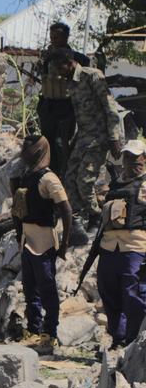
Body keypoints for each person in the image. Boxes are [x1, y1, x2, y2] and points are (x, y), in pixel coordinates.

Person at [47, 48, 124, 245]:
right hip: (83, 139)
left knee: (84, 181)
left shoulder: (93, 77)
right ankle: (78, 222)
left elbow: (110, 108)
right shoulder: (71, 84)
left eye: (57, 67)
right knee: (69, 178)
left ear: (68, 62)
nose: (56, 72)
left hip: (99, 139)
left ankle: (96, 215)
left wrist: (114, 138)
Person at [12, 136, 73, 355]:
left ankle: (50, 334)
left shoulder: (49, 179)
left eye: (27, 148)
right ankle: (34, 330)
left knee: (47, 288)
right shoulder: (27, 176)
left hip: (44, 240)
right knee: (30, 289)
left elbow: (66, 211)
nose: (23, 151)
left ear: (37, 150)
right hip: (28, 240)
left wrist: (64, 243)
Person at [96, 140, 146, 349]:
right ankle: (119, 339)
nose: (132, 162)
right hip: (109, 249)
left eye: (136, 158)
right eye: (127, 157)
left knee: (133, 297)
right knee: (109, 294)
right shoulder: (115, 184)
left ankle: (133, 342)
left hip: (135, 249)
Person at [38, 22, 91, 177]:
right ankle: (48, 172)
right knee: (47, 140)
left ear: (66, 37)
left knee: (61, 143)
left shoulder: (76, 58)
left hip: (66, 106)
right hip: (49, 105)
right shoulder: (47, 57)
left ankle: (63, 174)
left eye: (58, 37)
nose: (54, 40)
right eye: (52, 37)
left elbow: (84, 66)